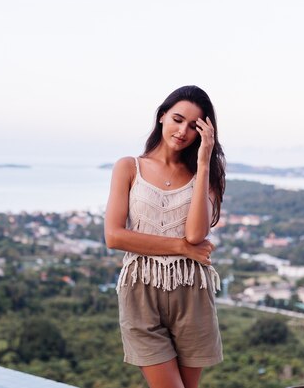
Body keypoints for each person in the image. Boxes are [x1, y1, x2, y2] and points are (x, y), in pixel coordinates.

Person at [104, 85, 225, 388]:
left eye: (194, 126)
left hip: (192, 293)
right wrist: (181, 248)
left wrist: (203, 162)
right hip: (141, 290)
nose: (183, 130)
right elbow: (115, 236)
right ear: (161, 117)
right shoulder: (129, 167)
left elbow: (196, 234)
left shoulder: (205, 175)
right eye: (177, 119)